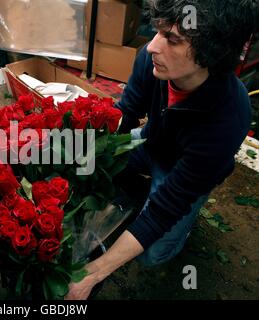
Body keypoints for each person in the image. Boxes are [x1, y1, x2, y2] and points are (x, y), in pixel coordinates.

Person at [65, 0, 258, 300]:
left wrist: (95, 273)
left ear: (213, 51)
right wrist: (92, 163)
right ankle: (137, 192)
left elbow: (166, 207)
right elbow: (124, 115)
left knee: (153, 253)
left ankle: (184, 220)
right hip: (152, 140)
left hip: (182, 171)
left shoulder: (228, 116)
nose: (153, 46)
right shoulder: (150, 60)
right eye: (158, 31)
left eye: (173, 39)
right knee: (87, 162)